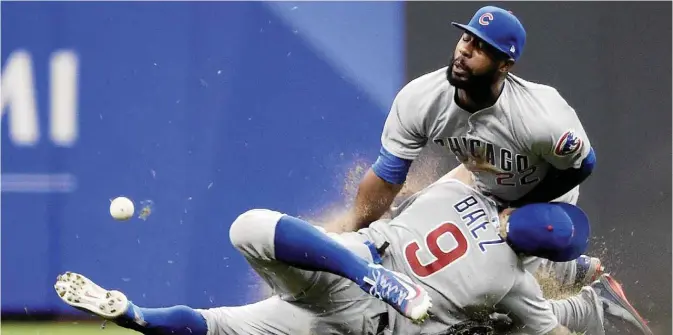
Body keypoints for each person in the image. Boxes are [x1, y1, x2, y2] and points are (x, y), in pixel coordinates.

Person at [54, 178, 650, 335]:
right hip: (372, 324)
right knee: (508, 325)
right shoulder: (513, 283)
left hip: (356, 270)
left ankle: (135, 315)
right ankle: (133, 314)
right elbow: (543, 323)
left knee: (248, 227)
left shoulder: (455, 192)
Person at [333, 5, 602, 290]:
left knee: (484, 283)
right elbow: (387, 177)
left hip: (541, 201)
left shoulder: (540, 117)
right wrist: (353, 234)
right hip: (481, 184)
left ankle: (572, 279)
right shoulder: (422, 98)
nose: (465, 51)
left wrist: (519, 206)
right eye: (466, 39)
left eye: (482, 48)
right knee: (407, 227)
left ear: (504, 65)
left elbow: (583, 164)